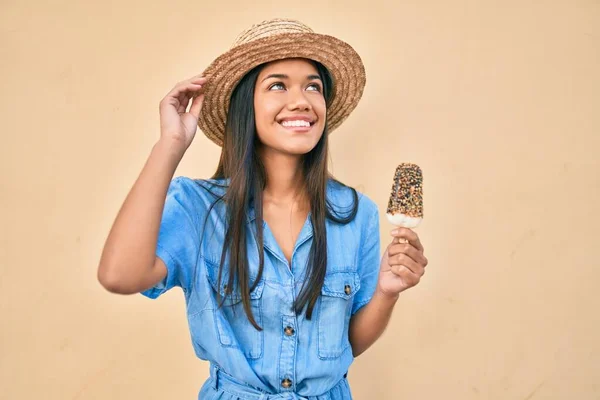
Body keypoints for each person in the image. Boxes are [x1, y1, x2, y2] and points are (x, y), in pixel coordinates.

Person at [97, 18, 428, 399]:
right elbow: (119, 276)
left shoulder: (357, 213)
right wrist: (170, 144)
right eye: (277, 85)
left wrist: (388, 291)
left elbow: (347, 344)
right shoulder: (199, 209)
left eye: (313, 86)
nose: (301, 100)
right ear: (245, 105)